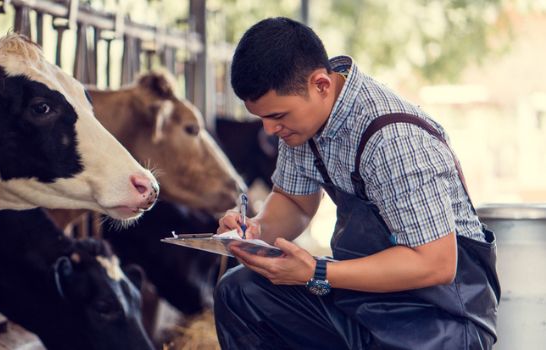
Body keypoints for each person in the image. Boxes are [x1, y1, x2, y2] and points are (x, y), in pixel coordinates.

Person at [214, 17, 500, 349]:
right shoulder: (301, 123)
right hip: (363, 300)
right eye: (262, 118)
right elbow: (295, 203)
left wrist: (317, 272)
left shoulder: (393, 139)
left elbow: (435, 264)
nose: (268, 129)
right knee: (241, 291)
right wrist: (254, 231)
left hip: (439, 317)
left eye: (277, 116)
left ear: (321, 85)